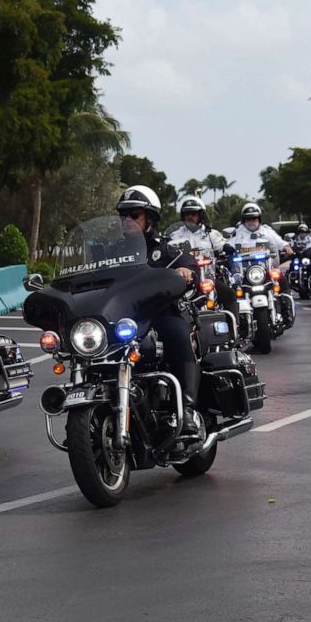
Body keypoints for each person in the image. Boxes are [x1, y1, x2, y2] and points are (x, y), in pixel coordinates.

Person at [117, 185, 205, 444]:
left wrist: (185, 272)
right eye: (124, 216)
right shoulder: (112, 252)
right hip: (124, 318)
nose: (128, 221)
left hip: (160, 314)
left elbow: (188, 263)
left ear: (150, 218)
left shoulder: (164, 249)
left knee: (178, 334)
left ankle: (188, 410)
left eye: (135, 215)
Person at [168, 195, 238, 313]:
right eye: (187, 214)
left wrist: (227, 247)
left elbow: (221, 245)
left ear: (200, 215)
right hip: (186, 280)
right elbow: (169, 252)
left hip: (209, 277)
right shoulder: (175, 236)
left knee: (230, 295)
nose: (190, 216)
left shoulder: (211, 234)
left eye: (193, 214)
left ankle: (234, 328)